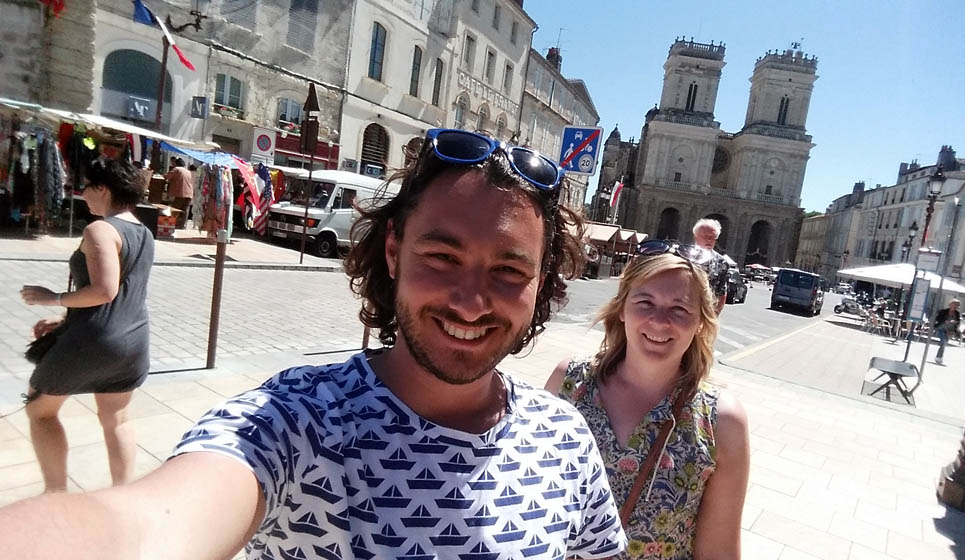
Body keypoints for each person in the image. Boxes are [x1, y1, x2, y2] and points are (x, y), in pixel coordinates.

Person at [0, 128, 628, 560]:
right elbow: (149, 525)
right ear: (393, 252)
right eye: (442, 256)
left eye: (510, 270)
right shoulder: (294, 422)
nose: (471, 301)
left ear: (541, 283)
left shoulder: (564, 436)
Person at [546, 240, 751, 559]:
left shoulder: (720, 421)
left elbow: (718, 551)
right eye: (645, 302)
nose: (659, 321)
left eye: (679, 309)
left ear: (701, 321)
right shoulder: (569, 385)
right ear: (622, 308)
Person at [18, 157, 154, 492]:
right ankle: (123, 495)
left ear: (103, 189)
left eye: (86, 187)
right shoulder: (144, 232)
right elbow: (122, 294)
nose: (82, 194)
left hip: (96, 341)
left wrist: (53, 298)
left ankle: (56, 495)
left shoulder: (100, 230)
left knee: (40, 410)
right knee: (116, 419)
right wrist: (65, 320)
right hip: (133, 341)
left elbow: (105, 291)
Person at [692, 218, 730, 313]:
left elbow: (722, 293)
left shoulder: (721, 262)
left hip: (705, 311)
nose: (709, 240)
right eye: (705, 236)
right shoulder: (683, 255)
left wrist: (714, 316)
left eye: (713, 237)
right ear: (695, 237)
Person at [165, 156, 194, 229]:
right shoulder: (188, 171)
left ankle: (171, 224)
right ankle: (182, 226)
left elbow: (167, 177)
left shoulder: (176, 169)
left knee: (175, 209)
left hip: (180, 193)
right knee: (185, 210)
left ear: (176, 164)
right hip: (189, 193)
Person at [933, 298, 961, 364]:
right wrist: (945, 321)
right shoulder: (943, 311)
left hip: (949, 331)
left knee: (944, 343)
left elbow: (958, 322)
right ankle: (939, 357)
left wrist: (955, 322)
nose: (955, 306)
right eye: (954, 304)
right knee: (943, 342)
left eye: (957, 305)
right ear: (950, 304)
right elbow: (938, 319)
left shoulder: (957, 313)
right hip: (941, 328)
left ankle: (939, 357)